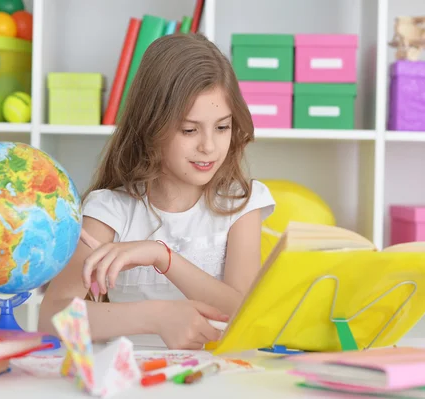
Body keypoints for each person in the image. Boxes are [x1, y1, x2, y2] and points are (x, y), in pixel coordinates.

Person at [38, 33, 275, 350]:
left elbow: (246, 312)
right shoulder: (110, 209)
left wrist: (161, 256)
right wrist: (157, 316)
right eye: (189, 130)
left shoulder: (240, 203)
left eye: (222, 127)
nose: (208, 146)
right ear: (151, 127)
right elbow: (53, 319)